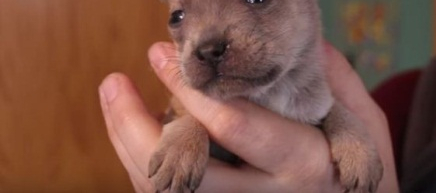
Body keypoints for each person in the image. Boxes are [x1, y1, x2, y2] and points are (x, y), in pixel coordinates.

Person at [99, 41, 400, 192]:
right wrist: (185, 134)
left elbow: (327, 111)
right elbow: (179, 116)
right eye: (179, 16)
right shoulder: (403, 96)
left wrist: (346, 132)